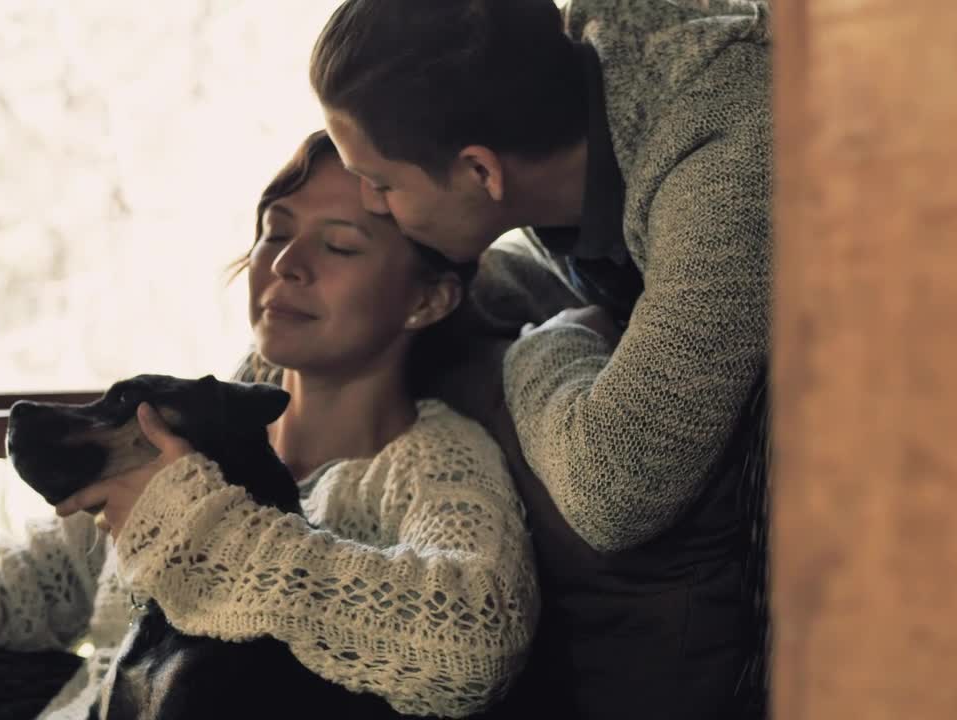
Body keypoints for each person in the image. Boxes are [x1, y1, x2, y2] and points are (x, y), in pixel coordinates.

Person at [0, 130, 538, 719]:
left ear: (428, 298)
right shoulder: (177, 432)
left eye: (339, 246)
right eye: (274, 230)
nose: (285, 263)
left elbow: (475, 641)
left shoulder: (435, 464)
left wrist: (202, 532)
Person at [309, 1, 772, 717]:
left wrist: (548, 343)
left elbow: (613, 486)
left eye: (383, 183)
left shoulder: (723, 163)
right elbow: (548, 264)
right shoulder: (574, 112)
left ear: (479, 171)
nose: (371, 203)